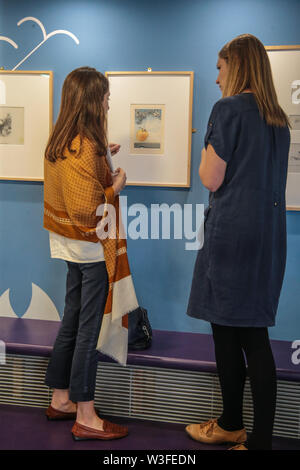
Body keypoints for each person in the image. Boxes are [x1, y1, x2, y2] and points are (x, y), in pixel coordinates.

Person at [186, 34, 290, 450]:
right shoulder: (278, 119)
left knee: (236, 335)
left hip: (231, 237)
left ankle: (247, 434)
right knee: (244, 333)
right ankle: (237, 426)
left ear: (237, 66)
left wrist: (203, 144)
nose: (216, 77)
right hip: (267, 240)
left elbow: (210, 177)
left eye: (220, 66)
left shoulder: (227, 110)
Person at [43, 67, 129, 441]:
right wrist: (116, 187)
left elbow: (75, 182)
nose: (109, 103)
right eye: (106, 97)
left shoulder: (62, 140)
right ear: (93, 100)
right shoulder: (86, 145)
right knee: (88, 329)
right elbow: (88, 207)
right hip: (89, 246)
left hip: (66, 242)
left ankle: (60, 398)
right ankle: (86, 414)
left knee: (72, 319)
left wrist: (100, 158)